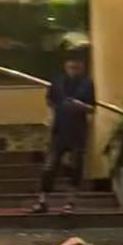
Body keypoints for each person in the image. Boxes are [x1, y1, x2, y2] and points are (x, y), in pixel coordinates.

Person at [31, 46, 95, 214]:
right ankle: (42, 200)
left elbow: (92, 108)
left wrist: (81, 106)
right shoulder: (58, 82)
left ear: (82, 67)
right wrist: (51, 118)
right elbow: (50, 102)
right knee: (50, 166)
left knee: (75, 167)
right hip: (59, 129)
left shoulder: (87, 83)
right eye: (71, 66)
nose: (74, 69)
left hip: (78, 130)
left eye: (77, 66)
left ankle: (71, 202)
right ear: (66, 66)